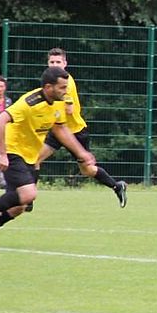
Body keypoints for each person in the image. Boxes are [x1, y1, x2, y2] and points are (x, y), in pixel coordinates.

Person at [0, 67, 96, 246]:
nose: (65, 91)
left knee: (17, 208)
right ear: (48, 87)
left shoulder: (58, 102)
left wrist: (81, 152)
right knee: (29, 193)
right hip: (13, 151)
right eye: (62, 87)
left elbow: (61, 129)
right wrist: (3, 154)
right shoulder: (29, 103)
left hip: (29, 155)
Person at [35, 48, 127, 207]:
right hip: (58, 130)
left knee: (88, 170)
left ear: (65, 63)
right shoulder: (50, 82)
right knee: (35, 159)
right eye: (52, 62)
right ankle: (29, 198)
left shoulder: (66, 83)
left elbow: (69, 110)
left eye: (58, 62)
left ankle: (117, 186)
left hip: (75, 133)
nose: (55, 65)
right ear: (48, 63)